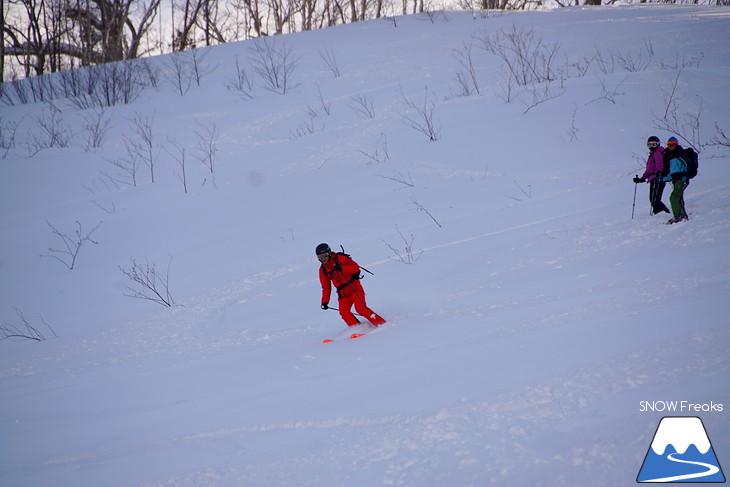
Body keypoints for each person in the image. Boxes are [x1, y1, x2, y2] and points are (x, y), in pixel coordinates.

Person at [316, 243, 386, 327]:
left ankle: (381, 324)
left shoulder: (340, 259)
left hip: (354, 288)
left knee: (361, 309)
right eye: (320, 257)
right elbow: (326, 287)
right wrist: (325, 301)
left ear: (329, 253)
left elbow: (355, 268)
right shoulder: (323, 270)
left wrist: (342, 268)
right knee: (344, 312)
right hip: (343, 294)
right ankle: (358, 329)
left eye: (325, 255)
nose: (323, 259)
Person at [633, 136, 670, 215]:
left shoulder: (657, 153)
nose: (651, 146)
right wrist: (642, 178)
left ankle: (661, 215)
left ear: (657, 144)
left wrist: (659, 172)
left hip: (657, 178)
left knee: (654, 199)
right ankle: (664, 214)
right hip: (654, 178)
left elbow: (660, 164)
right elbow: (649, 170)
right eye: (649, 144)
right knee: (654, 199)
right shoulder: (653, 154)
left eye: (653, 144)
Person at [661, 137, 689, 224]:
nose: (671, 146)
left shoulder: (680, 154)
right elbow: (673, 173)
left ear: (676, 144)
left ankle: (678, 216)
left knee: (674, 197)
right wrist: (665, 178)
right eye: (669, 144)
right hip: (677, 180)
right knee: (678, 196)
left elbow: (687, 166)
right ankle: (682, 215)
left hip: (681, 179)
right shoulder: (670, 157)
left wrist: (685, 176)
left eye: (673, 144)